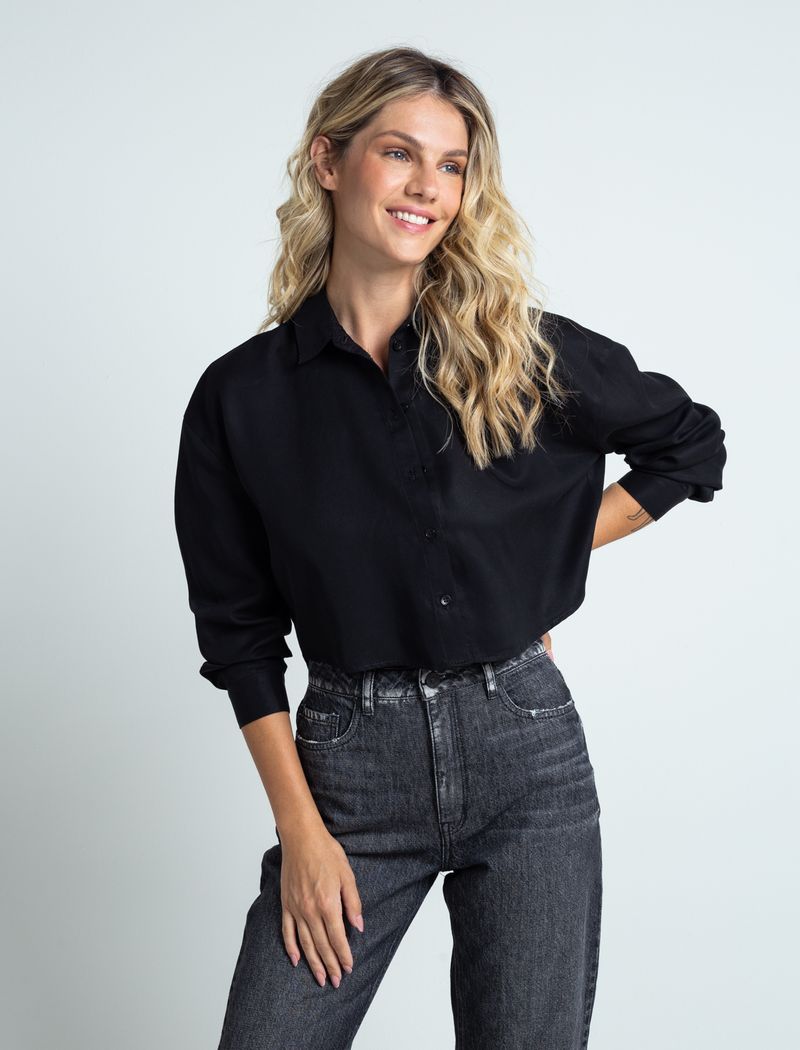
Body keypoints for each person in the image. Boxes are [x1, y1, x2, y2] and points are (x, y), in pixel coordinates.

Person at [173, 45, 726, 1050]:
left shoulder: (519, 350)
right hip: (350, 773)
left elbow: (688, 444)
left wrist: (525, 567)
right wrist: (301, 831)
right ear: (328, 161)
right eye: (399, 153)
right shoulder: (241, 398)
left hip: (525, 750)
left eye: (452, 164)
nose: (428, 185)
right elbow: (239, 634)